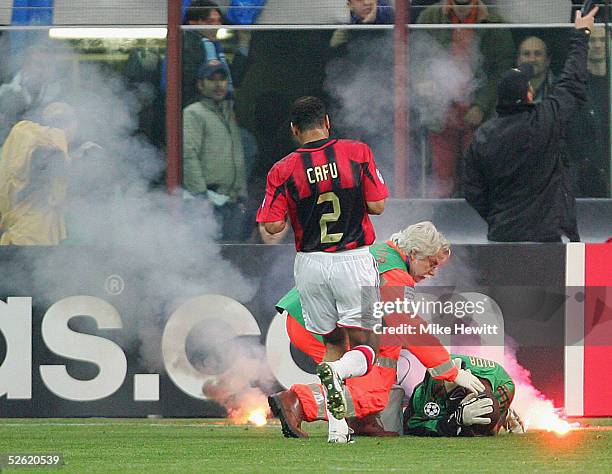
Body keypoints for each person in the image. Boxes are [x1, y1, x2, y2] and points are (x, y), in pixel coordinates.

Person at [268, 222, 486, 439]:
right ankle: (297, 402)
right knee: (373, 388)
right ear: (414, 253)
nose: (433, 272)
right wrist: (452, 371)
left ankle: (362, 420)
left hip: (307, 318)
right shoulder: (395, 273)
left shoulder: (380, 252)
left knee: (384, 355)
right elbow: (409, 327)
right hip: (318, 326)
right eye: (432, 263)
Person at [257, 96, 389, 443]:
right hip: (353, 259)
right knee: (367, 347)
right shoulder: (356, 152)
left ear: (294, 130)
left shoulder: (283, 169)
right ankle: (337, 375)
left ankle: (337, 429)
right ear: (327, 122)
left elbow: (271, 227)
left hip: (311, 265)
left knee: (332, 342)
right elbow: (377, 204)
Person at [462, 7, 598, 243]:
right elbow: (572, 82)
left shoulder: (483, 135)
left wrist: (498, 217)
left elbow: (473, 190)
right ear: (528, 94)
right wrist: (581, 33)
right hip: (547, 235)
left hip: (502, 235)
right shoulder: (546, 119)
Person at [415, 0, 514, 197]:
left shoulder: (494, 22)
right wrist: (423, 80)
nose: (462, 7)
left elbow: (502, 70)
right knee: (443, 179)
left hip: (479, 116)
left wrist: (481, 105)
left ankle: (477, 222)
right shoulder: (430, 17)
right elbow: (417, 57)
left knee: (477, 174)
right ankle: (441, 221)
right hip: (441, 112)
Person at [183, 61, 248, 241]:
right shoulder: (193, 113)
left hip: (232, 203)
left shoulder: (228, 113)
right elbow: (188, 155)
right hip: (208, 202)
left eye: (222, 79)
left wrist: (242, 195)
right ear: (200, 84)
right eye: (212, 79)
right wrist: (201, 197)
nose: (218, 84)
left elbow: (237, 156)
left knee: (231, 259)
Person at [0, 102, 76, 245]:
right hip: (35, 240)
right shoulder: (50, 145)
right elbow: (45, 166)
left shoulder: (21, 142)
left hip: (14, 234)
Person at [403, 354, 524, 436]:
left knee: (484, 430)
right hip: (443, 383)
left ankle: (505, 414)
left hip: (494, 388)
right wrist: (452, 422)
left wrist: (456, 422)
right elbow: (412, 425)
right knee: (415, 425)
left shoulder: (504, 386)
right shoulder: (440, 371)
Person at [567, 25, 610, 198]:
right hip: (586, 176)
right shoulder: (574, 86)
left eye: (603, 40)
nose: (598, 45)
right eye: (592, 40)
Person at [517, 36, 556, 103]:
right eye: (527, 54)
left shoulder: (561, 91)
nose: (532, 59)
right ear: (518, 61)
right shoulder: (508, 91)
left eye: (538, 54)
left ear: (547, 61)